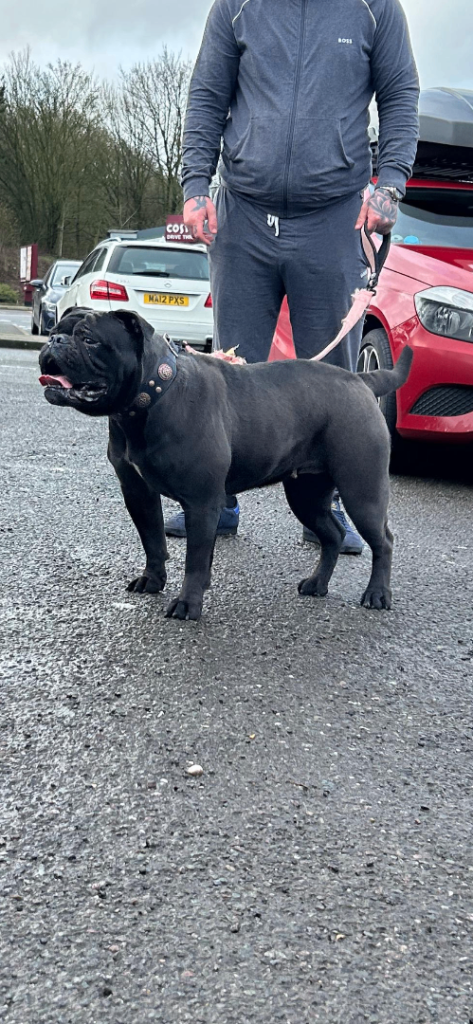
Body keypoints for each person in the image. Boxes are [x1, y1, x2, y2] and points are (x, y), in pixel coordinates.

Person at [165, 0, 419, 549]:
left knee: (337, 380)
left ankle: (329, 507)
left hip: (334, 215)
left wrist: (390, 182)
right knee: (228, 370)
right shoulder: (237, 5)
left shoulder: (375, 8)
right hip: (245, 213)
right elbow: (207, 94)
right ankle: (217, 500)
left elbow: (400, 93)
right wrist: (194, 186)